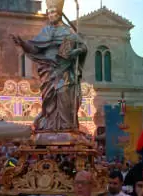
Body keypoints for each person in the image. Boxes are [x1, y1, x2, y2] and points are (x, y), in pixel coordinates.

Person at [11, 0, 87, 131]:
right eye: (49, 12)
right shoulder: (45, 31)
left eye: (53, 12)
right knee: (48, 99)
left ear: (59, 14)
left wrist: (78, 51)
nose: (51, 15)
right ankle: (49, 124)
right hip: (48, 70)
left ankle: (66, 126)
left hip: (64, 70)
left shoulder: (68, 32)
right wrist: (23, 44)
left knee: (64, 94)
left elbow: (83, 47)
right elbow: (35, 49)